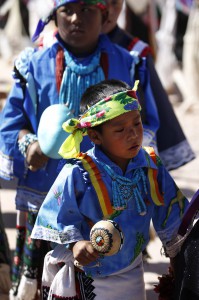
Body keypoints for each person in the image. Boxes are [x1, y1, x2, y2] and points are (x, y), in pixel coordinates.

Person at [0, 0, 162, 299]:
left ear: (106, 15)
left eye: (87, 9)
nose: (76, 18)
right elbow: (11, 123)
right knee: (42, 287)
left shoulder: (128, 63)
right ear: (54, 16)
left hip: (111, 200)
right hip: (46, 198)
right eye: (67, 10)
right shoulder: (33, 65)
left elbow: (148, 123)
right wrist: (29, 144)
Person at [31, 79, 190, 300]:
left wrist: (178, 261)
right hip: (89, 276)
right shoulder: (78, 173)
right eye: (120, 129)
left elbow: (172, 216)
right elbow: (53, 216)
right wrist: (76, 243)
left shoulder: (150, 166)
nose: (133, 134)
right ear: (95, 136)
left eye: (137, 124)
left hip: (133, 272)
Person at [102, 0, 195, 172]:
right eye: (100, 3)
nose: (108, 10)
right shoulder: (53, 51)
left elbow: (154, 114)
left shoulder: (136, 54)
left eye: (115, 3)